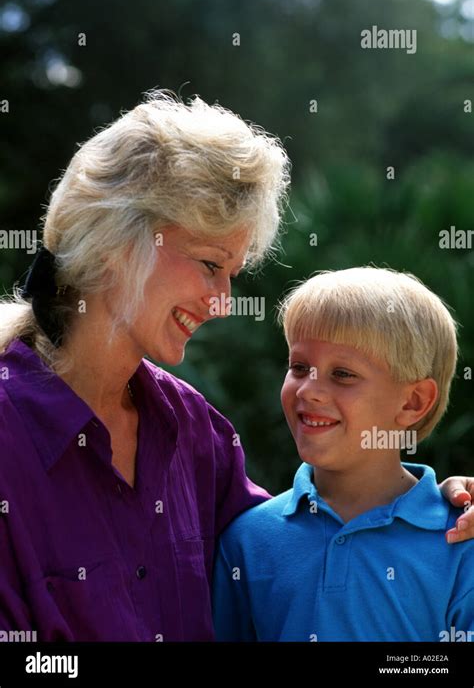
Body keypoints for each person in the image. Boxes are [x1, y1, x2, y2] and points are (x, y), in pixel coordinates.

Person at [0, 91, 471, 643]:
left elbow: (306, 538)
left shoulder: (194, 431)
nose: (222, 301)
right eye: (209, 264)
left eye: (232, 273)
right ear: (116, 242)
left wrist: (446, 502)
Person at [212, 267, 474, 641]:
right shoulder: (246, 539)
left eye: (343, 374)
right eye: (300, 367)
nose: (308, 391)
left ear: (413, 402)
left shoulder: (462, 538)